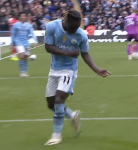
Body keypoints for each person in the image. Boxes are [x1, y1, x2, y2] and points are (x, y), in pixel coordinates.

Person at [44, 10, 111, 146]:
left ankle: (56, 135)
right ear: (65, 20)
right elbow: (48, 47)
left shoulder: (81, 35)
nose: (74, 30)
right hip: (54, 69)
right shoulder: (52, 26)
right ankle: (71, 115)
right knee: (51, 104)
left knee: (58, 101)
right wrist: (67, 52)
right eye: (72, 27)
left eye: (76, 27)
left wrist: (96, 69)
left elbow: (85, 54)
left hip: (69, 70)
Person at [11, 12, 38, 77]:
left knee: (25, 58)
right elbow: (13, 35)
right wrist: (12, 43)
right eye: (21, 16)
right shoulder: (15, 25)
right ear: (19, 17)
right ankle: (22, 72)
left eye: (24, 16)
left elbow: (32, 34)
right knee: (22, 56)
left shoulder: (29, 25)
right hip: (18, 42)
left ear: (26, 17)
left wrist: (35, 41)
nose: (23, 17)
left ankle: (24, 72)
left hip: (26, 43)